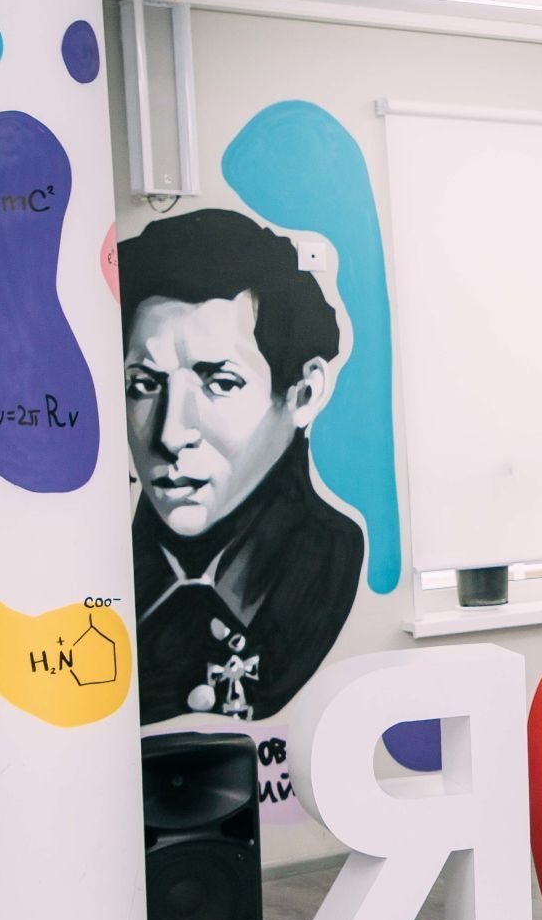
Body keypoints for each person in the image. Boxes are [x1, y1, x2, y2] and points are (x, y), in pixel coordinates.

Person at [120, 209, 362, 724]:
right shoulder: (106, 571)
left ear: (303, 394)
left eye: (220, 383)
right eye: (144, 384)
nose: (169, 434)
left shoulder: (327, 560)